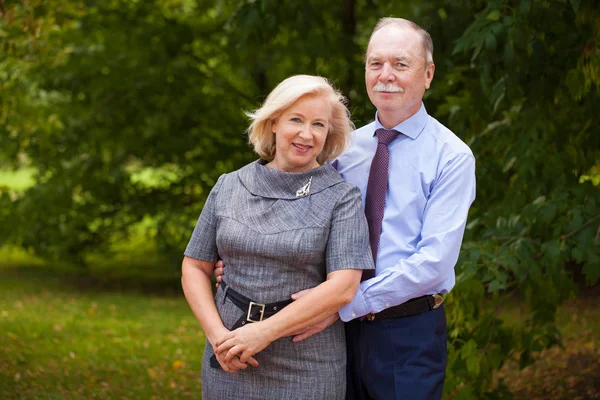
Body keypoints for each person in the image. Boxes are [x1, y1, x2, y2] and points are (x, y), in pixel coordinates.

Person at [215, 17, 476, 400]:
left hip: (405, 333)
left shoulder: (451, 157)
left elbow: (433, 263)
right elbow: (300, 222)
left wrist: (346, 303)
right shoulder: (340, 149)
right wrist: (242, 260)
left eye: (401, 64)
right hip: (327, 334)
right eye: (375, 63)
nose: (386, 75)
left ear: (428, 74)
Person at [181, 74, 374, 400]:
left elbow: (343, 287)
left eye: (318, 125)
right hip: (229, 355)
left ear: (329, 134)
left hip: (308, 362)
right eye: (295, 119)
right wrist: (218, 338)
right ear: (273, 122)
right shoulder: (229, 185)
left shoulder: (342, 197)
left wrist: (263, 333)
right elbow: (194, 267)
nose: (306, 134)